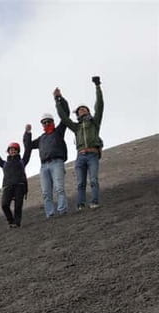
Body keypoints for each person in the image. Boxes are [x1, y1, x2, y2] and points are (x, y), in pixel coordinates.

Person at [55, 77, 104, 210]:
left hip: (93, 154)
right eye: (79, 110)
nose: (81, 110)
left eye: (84, 109)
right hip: (80, 156)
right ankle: (81, 204)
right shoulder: (76, 127)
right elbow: (64, 118)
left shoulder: (95, 123)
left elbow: (99, 105)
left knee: (93, 180)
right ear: (77, 114)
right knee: (80, 183)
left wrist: (97, 86)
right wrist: (58, 100)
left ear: (88, 111)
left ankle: (94, 202)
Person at [25, 106, 69, 218]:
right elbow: (28, 146)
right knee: (46, 193)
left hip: (57, 162)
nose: (46, 123)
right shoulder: (41, 138)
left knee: (59, 188)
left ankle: (62, 210)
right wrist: (27, 133)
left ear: (52, 122)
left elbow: (65, 116)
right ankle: (50, 214)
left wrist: (59, 100)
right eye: (44, 122)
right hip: (44, 166)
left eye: (48, 121)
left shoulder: (58, 132)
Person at [0, 132, 32, 228]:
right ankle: (11, 221)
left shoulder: (23, 161)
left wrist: (28, 134)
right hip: (7, 186)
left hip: (20, 185)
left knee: (18, 206)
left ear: (18, 151)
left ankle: (17, 223)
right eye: (11, 150)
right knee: (4, 205)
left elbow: (28, 150)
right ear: (8, 151)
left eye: (15, 149)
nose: (12, 151)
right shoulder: (4, 163)